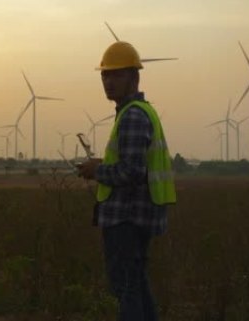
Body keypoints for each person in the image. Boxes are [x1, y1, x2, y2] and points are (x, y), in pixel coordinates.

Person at [76, 41, 176, 321]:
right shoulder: (141, 112)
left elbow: (132, 171)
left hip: (127, 219)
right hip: (140, 216)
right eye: (105, 75)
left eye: (116, 75)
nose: (108, 81)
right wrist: (102, 165)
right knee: (137, 286)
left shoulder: (132, 115)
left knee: (125, 290)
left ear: (135, 77)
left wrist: (97, 171)